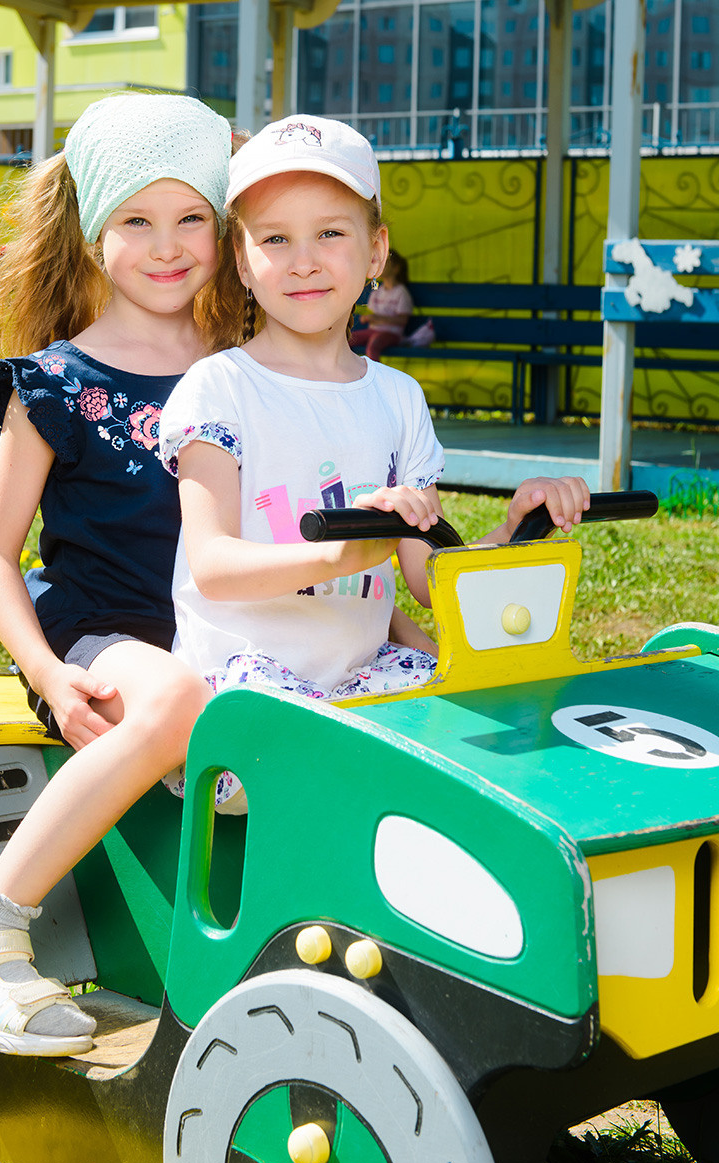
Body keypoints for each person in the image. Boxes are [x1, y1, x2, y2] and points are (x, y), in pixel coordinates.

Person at [0, 92, 243, 1058]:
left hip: (218, 635)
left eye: (191, 218)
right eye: (136, 220)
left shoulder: (242, 370)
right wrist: (48, 673)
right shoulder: (56, 384)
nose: (166, 246)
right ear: (92, 234)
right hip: (96, 636)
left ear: (223, 229)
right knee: (175, 702)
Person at [158, 114, 590, 720]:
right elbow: (214, 568)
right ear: (242, 262)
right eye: (275, 239)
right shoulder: (218, 388)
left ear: (376, 251)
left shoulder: (399, 398)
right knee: (331, 756)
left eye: (330, 233)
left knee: (482, 726)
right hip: (243, 682)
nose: (304, 261)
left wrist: (519, 527)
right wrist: (336, 556)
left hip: (365, 674)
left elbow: (429, 578)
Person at [349, 248, 415, 361]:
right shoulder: (377, 292)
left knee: (374, 344)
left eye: (385, 262)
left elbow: (403, 320)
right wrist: (366, 318)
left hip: (392, 334)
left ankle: (375, 372)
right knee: (347, 340)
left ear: (396, 268)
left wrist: (378, 319)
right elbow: (369, 314)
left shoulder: (401, 292)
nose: (380, 266)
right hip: (372, 331)